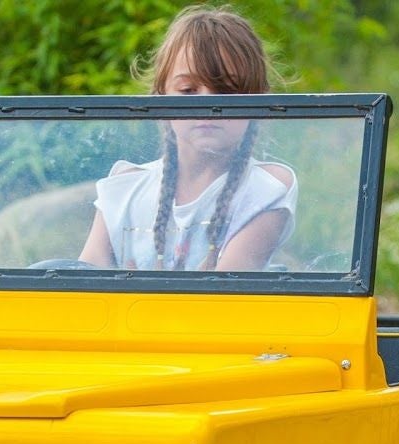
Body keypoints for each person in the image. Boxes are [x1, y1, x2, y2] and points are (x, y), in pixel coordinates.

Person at [78, 5, 296, 271]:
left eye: (226, 91)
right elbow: (83, 288)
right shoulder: (124, 187)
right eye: (188, 90)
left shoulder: (267, 188)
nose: (206, 104)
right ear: (160, 97)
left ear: (259, 100)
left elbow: (222, 301)